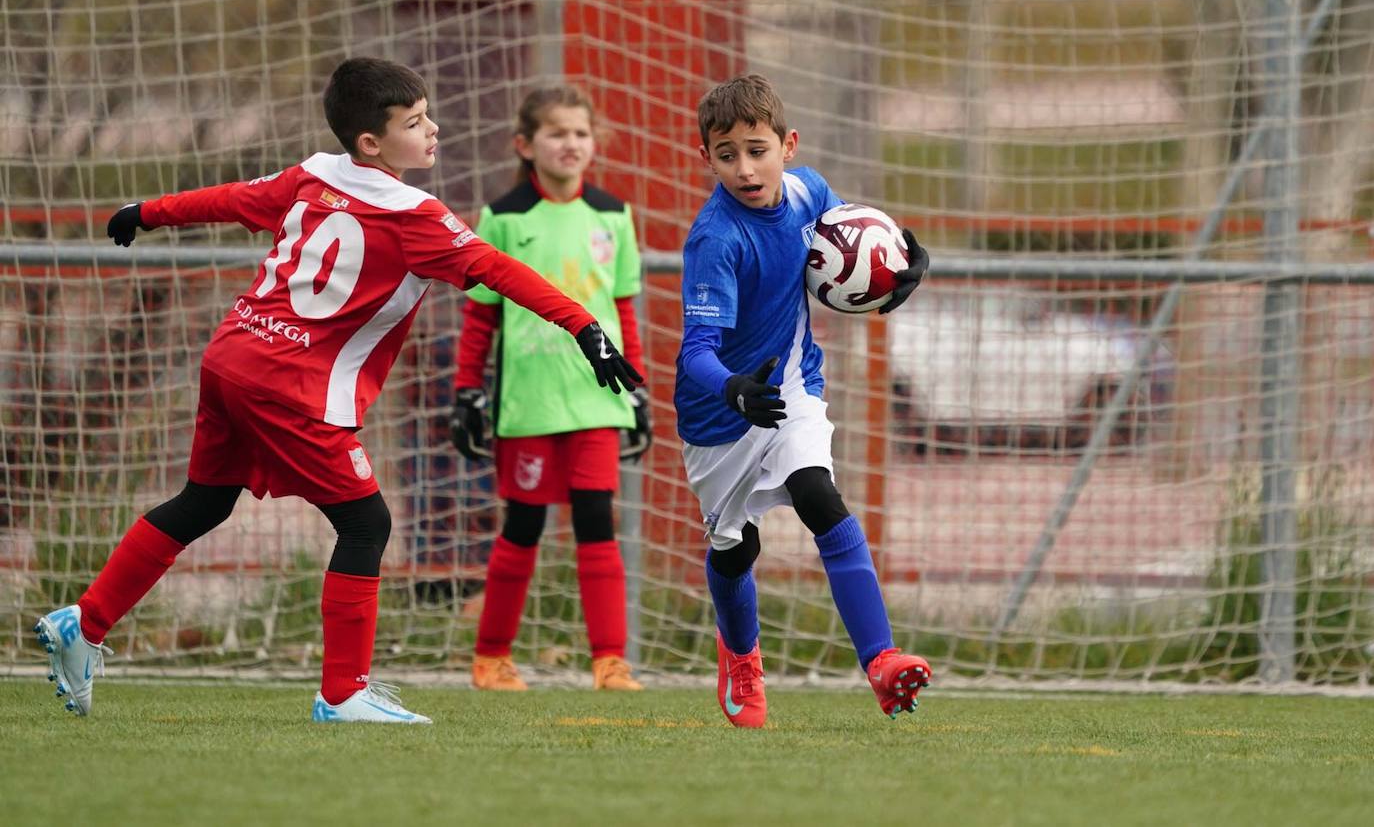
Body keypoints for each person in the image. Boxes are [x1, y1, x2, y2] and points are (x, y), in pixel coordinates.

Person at [33, 58, 641, 724]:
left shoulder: (312, 174)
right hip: (290, 387)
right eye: (416, 122)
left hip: (231, 358)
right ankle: (343, 693)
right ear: (372, 143)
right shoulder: (418, 215)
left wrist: (149, 211)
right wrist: (583, 325)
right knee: (365, 521)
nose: (433, 129)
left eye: (428, 113)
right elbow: (500, 270)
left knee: (204, 502)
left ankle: (84, 624)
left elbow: (232, 199)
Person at [674, 74, 932, 728]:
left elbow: (851, 248)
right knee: (737, 551)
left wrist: (895, 271)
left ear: (788, 145)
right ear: (706, 157)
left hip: (792, 389)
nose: (744, 167)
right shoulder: (716, 240)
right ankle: (739, 656)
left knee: (819, 495)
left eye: (757, 149)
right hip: (719, 418)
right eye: (726, 153)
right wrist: (732, 387)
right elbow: (694, 352)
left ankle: (881, 661)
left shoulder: (809, 191)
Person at [449, 86, 649, 692]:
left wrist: (636, 393)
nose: (571, 144)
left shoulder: (614, 214)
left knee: (596, 521)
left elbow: (623, 310)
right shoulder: (503, 217)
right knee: (524, 527)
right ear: (525, 145)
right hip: (528, 402)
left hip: (596, 397)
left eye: (581, 134)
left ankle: (610, 661)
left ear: (594, 144)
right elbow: (481, 316)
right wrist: (466, 391)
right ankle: (491, 658)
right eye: (557, 133)